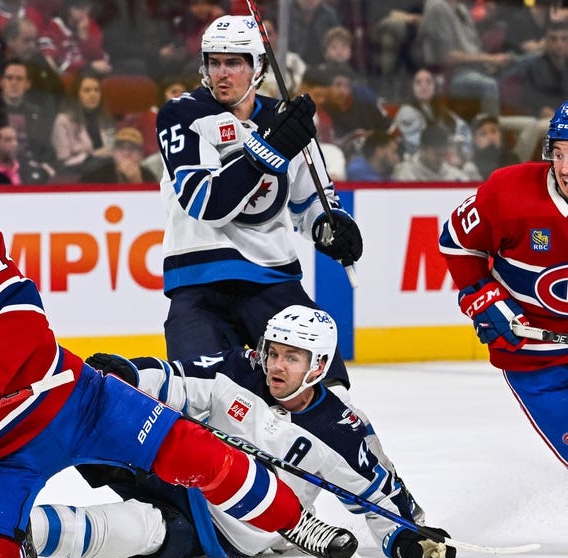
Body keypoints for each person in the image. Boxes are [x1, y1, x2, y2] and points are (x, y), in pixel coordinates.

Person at [0, 164, 361, 558]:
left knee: (194, 452)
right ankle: (18, 540)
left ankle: (292, 521)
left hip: (73, 400)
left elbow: (22, 319)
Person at [39, 306, 455, 558]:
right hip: (180, 467)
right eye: (273, 352)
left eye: (292, 357)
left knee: (141, 529)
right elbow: (180, 381)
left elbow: (380, 495)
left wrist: (408, 535)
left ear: (319, 366)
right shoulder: (242, 369)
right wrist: (131, 374)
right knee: (86, 425)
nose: (276, 365)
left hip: (224, 530)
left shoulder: (340, 430)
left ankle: (28, 536)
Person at [155, 15, 363, 383]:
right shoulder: (181, 114)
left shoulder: (286, 121)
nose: (222, 73)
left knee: (326, 391)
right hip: (198, 284)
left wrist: (329, 226)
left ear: (259, 68)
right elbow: (206, 203)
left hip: (273, 279)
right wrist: (266, 150)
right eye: (214, 62)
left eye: (234, 62)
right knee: (200, 397)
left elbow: (310, 200)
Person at [439, 102, 568, 468]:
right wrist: (481, 295)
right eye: (559, 153)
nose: (564, 168)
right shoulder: (509, 192)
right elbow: (456, 241)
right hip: (536, 361)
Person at [393, 123, 479, 181]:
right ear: (423, 150)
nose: (441, 159)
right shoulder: (406, 174)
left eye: (444, 154)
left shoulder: (455, 177)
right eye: (438, 154)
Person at [78, 126, 157, 183]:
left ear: (141, 155)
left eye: (133, 148)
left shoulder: (147, 176)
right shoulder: (98, 174)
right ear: (113, 152)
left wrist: (137, 181)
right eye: (121, 147)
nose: (126, 153)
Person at [470, 113, 521, 180]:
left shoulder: (512, 157)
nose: (490, 137)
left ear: (500, 134)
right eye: (483, 133)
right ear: (475, 140)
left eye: (493, 131)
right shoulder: (472, 164)